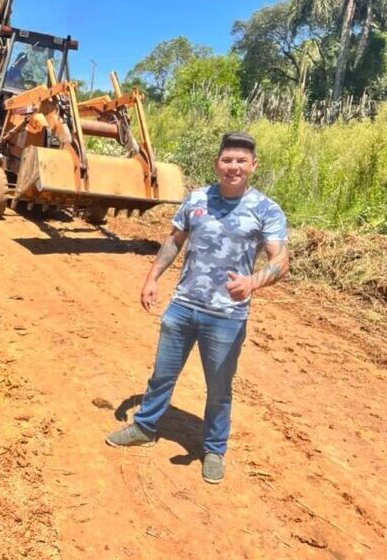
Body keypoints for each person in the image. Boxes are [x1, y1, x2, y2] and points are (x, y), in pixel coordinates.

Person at [105, 132, 289, 484]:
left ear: (253, 166)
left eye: (240, 161)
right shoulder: (197, 199)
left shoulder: (266, 209)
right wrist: (152, 277)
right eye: (227, 160)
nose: (233, 167)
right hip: (182, 307)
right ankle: (144, 427)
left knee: (219, 388)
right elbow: (175, 241)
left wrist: (254, 281)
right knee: (161, 374)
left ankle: (214, 449)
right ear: (216, 163)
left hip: (226, 318)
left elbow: (281, 260)